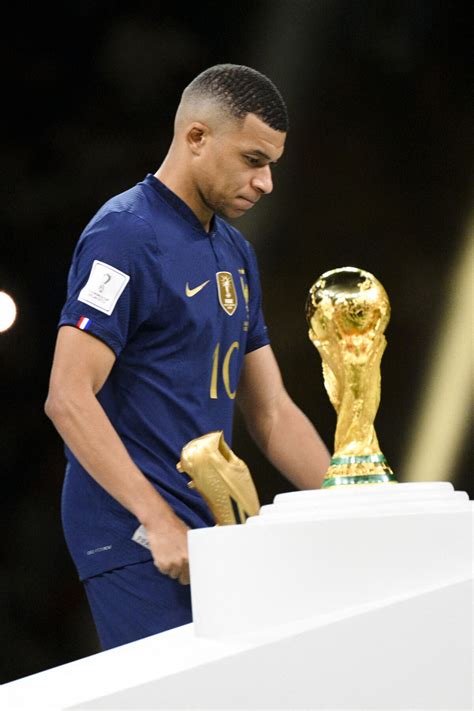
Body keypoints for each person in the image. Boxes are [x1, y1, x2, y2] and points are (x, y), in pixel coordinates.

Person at [45, 63, 330, 651]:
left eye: (271, 164)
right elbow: (68, 396)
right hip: (135, 533)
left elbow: (271, 411)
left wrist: (358, 505)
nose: (266, 182)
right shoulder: (124, 235)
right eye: (254, 160)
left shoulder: (235, 252)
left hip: (216, 531)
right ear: (196, 137)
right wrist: (156, 519)